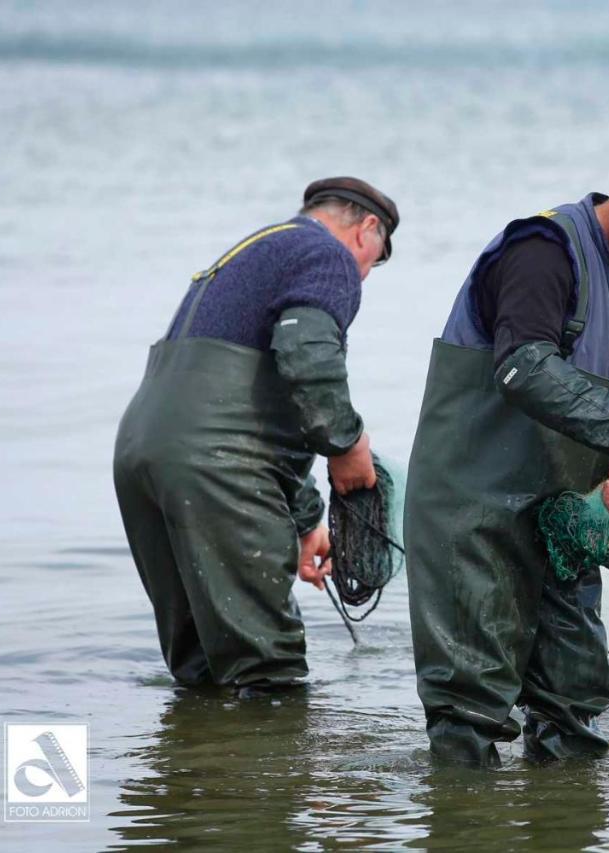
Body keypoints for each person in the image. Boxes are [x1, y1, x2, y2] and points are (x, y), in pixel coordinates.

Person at [405, 147, 609, 765]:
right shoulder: (543, 250)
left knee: (574, 702)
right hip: (472, 511)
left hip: (561, 522)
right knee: (470, 710)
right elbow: (525, 370)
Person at [113, 177, 399, 695]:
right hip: (217, 459)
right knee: (268, 670)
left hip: (143, 453)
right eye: (374, 260)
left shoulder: (259, 250)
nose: (364, 275)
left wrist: (307, 520)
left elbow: (267, 407)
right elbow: (307, 360)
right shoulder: (326, 254)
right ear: (367, 229)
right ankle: (275, 775)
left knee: (200, 663)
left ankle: (198, 769)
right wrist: (347, 444)